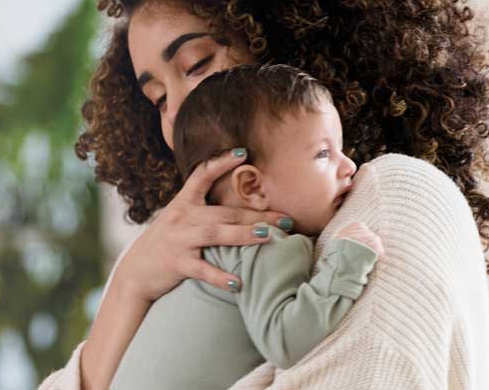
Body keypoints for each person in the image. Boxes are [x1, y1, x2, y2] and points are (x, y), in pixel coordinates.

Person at [41, 0, 489, 388]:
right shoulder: (175, 255)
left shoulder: (395, 198)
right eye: (157, 98)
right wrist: (128, 285)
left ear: (285, 38)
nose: (175, 113)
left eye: (197, 64)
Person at [109, 64, 385, 389]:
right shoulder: (261, 242)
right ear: (252, 186)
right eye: (323, 153)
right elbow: (286, 341)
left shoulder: (200, 253)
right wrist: (346, 264)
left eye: (341, 148)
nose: (349, 166)